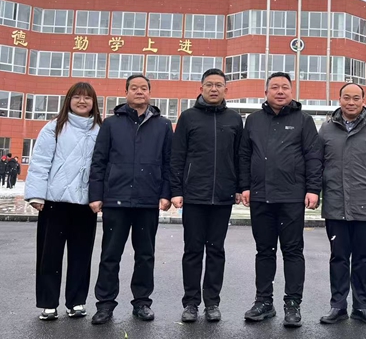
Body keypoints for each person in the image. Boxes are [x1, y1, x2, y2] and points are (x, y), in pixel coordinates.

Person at [238, 72, 322, 328]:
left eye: (285, 87)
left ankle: (293, 304)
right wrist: (244, 186)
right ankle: (264, 302)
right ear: (266, 92)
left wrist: (313, 189)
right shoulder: (253, 120)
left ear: (292, 92)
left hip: (291, 196)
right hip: (260, 196)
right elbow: (244, 155)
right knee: (264, 251)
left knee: (293, 251)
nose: (280, 91)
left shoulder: (303, 120)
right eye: (275, 87)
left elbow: (313, 156)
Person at [88, 74, 173, 325]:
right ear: (126, 92)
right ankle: (105, 304)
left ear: (150, 93)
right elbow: (99, 161)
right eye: (134, 88)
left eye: (143, 88)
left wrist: (165, 193)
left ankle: (142, 302)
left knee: (145, 255)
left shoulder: (163, 125)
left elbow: (169, 163)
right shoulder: (111, 124)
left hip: (148, 200)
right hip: (116, 199)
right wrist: (96, 195)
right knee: (110, 255)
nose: (139, 91)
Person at [24, 82, 103, 321]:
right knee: (49, 255)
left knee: (81, 256)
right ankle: (48, 303)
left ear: (94, 103)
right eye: (77, 97)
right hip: (54, 202)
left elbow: (104, 166)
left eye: (87, 98)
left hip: (85, 204)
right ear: (68, 100)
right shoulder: (54, 127)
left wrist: (101, 197)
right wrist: (36, 194)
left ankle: (76, 302)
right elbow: (40, 162)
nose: (82, 101)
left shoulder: (101, 130)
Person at [318, 83, 366, 326]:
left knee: (362, 259)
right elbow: (317, 165)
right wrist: (313, 194)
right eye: (346, 98)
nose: (351, 102)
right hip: (335, 204)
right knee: (338, 258)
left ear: (363, 100)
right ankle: (337, 306)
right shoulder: (327, 129)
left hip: (365, 204)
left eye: (356, 98)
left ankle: (362, 306)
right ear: (339, 99)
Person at [170, 69, 243, 323]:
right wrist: (176, 191)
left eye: (219, 85)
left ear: (226, 90)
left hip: (223, 196)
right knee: (192, 251)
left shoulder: (234, 119)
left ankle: (212, 302)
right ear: (200, 88)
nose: (214, 89)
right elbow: (177, 156)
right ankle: (191, 303)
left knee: (216, 251)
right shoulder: (188, 117)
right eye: (209, 84)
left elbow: (239, 157)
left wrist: (239, 187)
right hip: (194, 196)